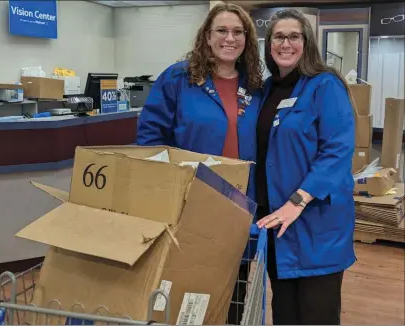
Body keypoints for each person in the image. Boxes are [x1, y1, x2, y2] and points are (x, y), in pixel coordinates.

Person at [136, 3, 264, 324]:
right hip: (187, 206)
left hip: (240, 207)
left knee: (233, 289)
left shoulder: (258, 86)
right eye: (221, 30)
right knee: (183, 285)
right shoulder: (178, 78)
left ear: (247, 39)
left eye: (238, 32)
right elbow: (151, 137)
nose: (229, 38)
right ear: (207, 36)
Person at [255, 8, 357, 325]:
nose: (286, 43)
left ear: (307, 42)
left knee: (317, 314)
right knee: (284, 312)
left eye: (294, 36)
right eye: (279, 36)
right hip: (276, 225)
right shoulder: (266, 90)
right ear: (269, 44)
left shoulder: (325, 86)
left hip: (316, 224)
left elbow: (337, 151)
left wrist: (298, 200)